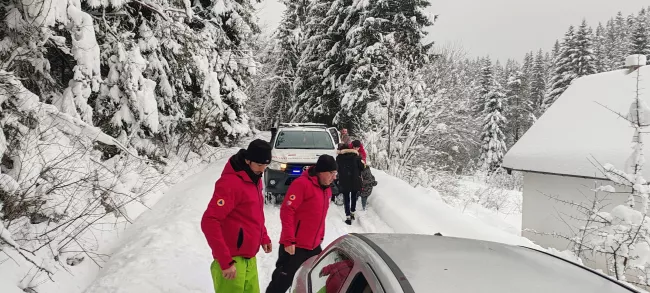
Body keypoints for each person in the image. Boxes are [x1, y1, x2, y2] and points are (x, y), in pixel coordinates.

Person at [201, 139, 274, 293]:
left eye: (266, 165)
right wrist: (224, 261)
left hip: (250, 258)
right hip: (232, 260)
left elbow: (254, 213)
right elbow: (209, 221)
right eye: (260, 165)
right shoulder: (230, 183)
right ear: (248, 160)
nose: (263, 170)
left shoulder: (255, 179)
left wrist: (263, 237)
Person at [266, 155, 338, 293]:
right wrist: (288, 240)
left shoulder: (327, 189)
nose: (334, 177)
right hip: (295, 246)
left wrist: (320, 236)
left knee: (313, 280)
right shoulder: (302, 184)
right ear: (321, 171)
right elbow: (287, 210)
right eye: (332, 173)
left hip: (314, 245)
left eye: (335, 173)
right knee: (281, 282)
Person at [336, 144, 364, 225]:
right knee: (354, 197)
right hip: (355, 180)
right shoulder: (356, 156)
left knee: (346, 198)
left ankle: (348, 216)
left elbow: (336, 168)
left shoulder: (339, 158)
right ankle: (352, 213)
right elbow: (362, 167)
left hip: (344, 181)